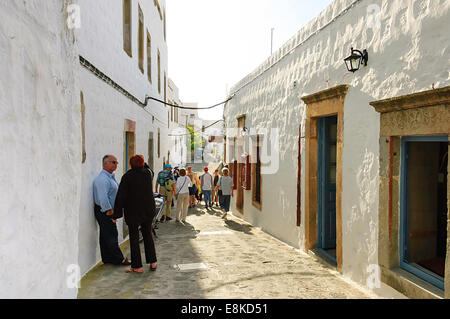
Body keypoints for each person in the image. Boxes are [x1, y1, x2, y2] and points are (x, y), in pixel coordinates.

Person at [113, 155, 157, 273]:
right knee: (148, 235)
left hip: (133, 212)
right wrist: (143, 164)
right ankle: (153, 262)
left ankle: (137, 266)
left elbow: (121, 196)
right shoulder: (148, 174)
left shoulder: (127, 176)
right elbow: (149, 168)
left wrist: (116, 214)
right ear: (142, 163)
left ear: (130, 164)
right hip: (148, 210)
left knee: (134, 238)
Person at [93, 155, 131, 266]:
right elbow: (102, 197)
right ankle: (119, 259)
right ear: (105, 164)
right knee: (112, 234)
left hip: (107, 210)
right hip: (105, 210)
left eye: (116, 162)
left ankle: (107, 258)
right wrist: (108, 210)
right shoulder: (102, 179)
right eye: (113, 162)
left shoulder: (110, 177)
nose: (116, 164)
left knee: (105, 235)